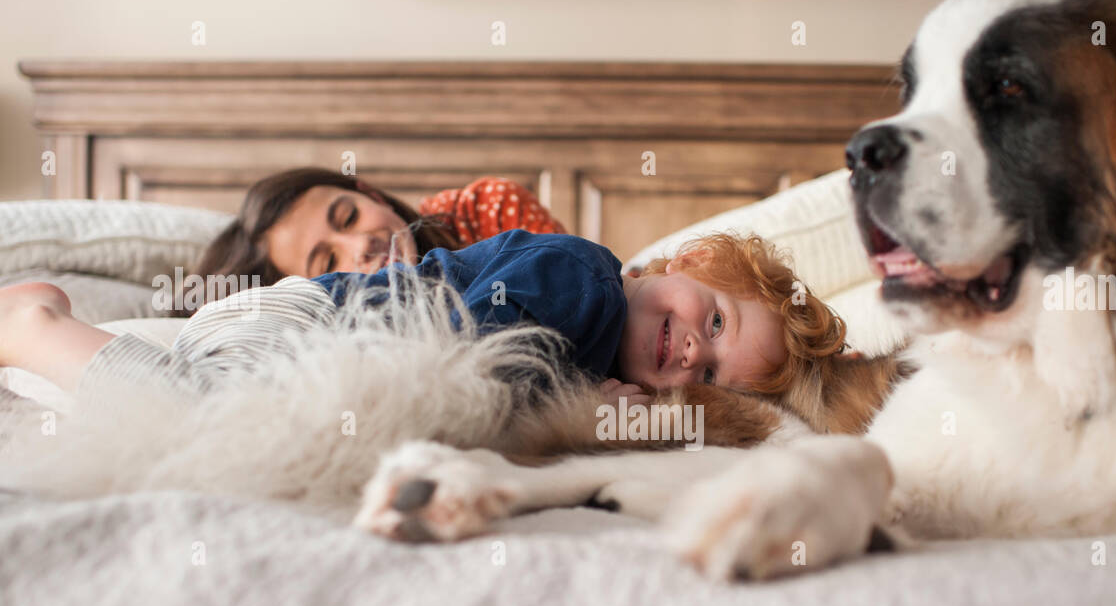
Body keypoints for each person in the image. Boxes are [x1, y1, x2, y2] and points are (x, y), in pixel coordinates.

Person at [0, 229, 846, 411]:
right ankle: (34, 324)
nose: (693, 351)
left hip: (312, 355)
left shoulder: (599, 358)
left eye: (704, 377)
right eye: (720, 326)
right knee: (208, 415)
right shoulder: (583, 279)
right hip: (303, 324)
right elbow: (461, 358)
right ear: (687, 265)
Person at [196, 168, 566, 287]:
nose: (360, 247)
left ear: (372, 195)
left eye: (349, 218)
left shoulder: (486, 209)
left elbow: (584, 282)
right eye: (327, 263)